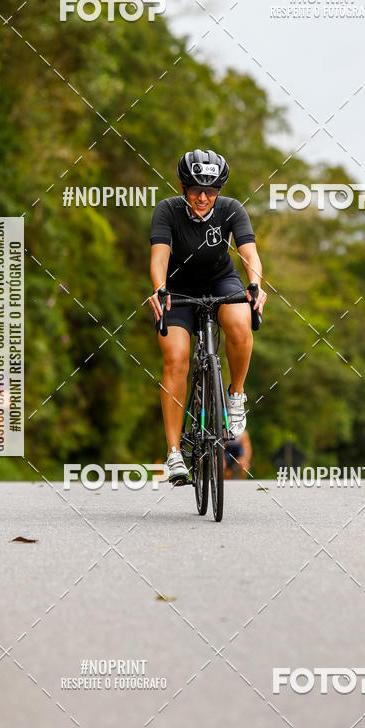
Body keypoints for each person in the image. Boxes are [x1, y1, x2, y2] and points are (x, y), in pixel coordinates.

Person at [148, 149, 267, 482]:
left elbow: (249, 254)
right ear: (183, 186)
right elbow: (159, 256)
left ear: (220, 190)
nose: (203, 197)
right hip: (178, 287)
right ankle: (174, 453)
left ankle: (236, 394)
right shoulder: (168, 211)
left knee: (242, 322)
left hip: (220, 280)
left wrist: (255, 284)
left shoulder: (231, 210)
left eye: (211, 190)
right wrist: (159, 287)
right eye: (196, 188)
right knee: (175, 358)